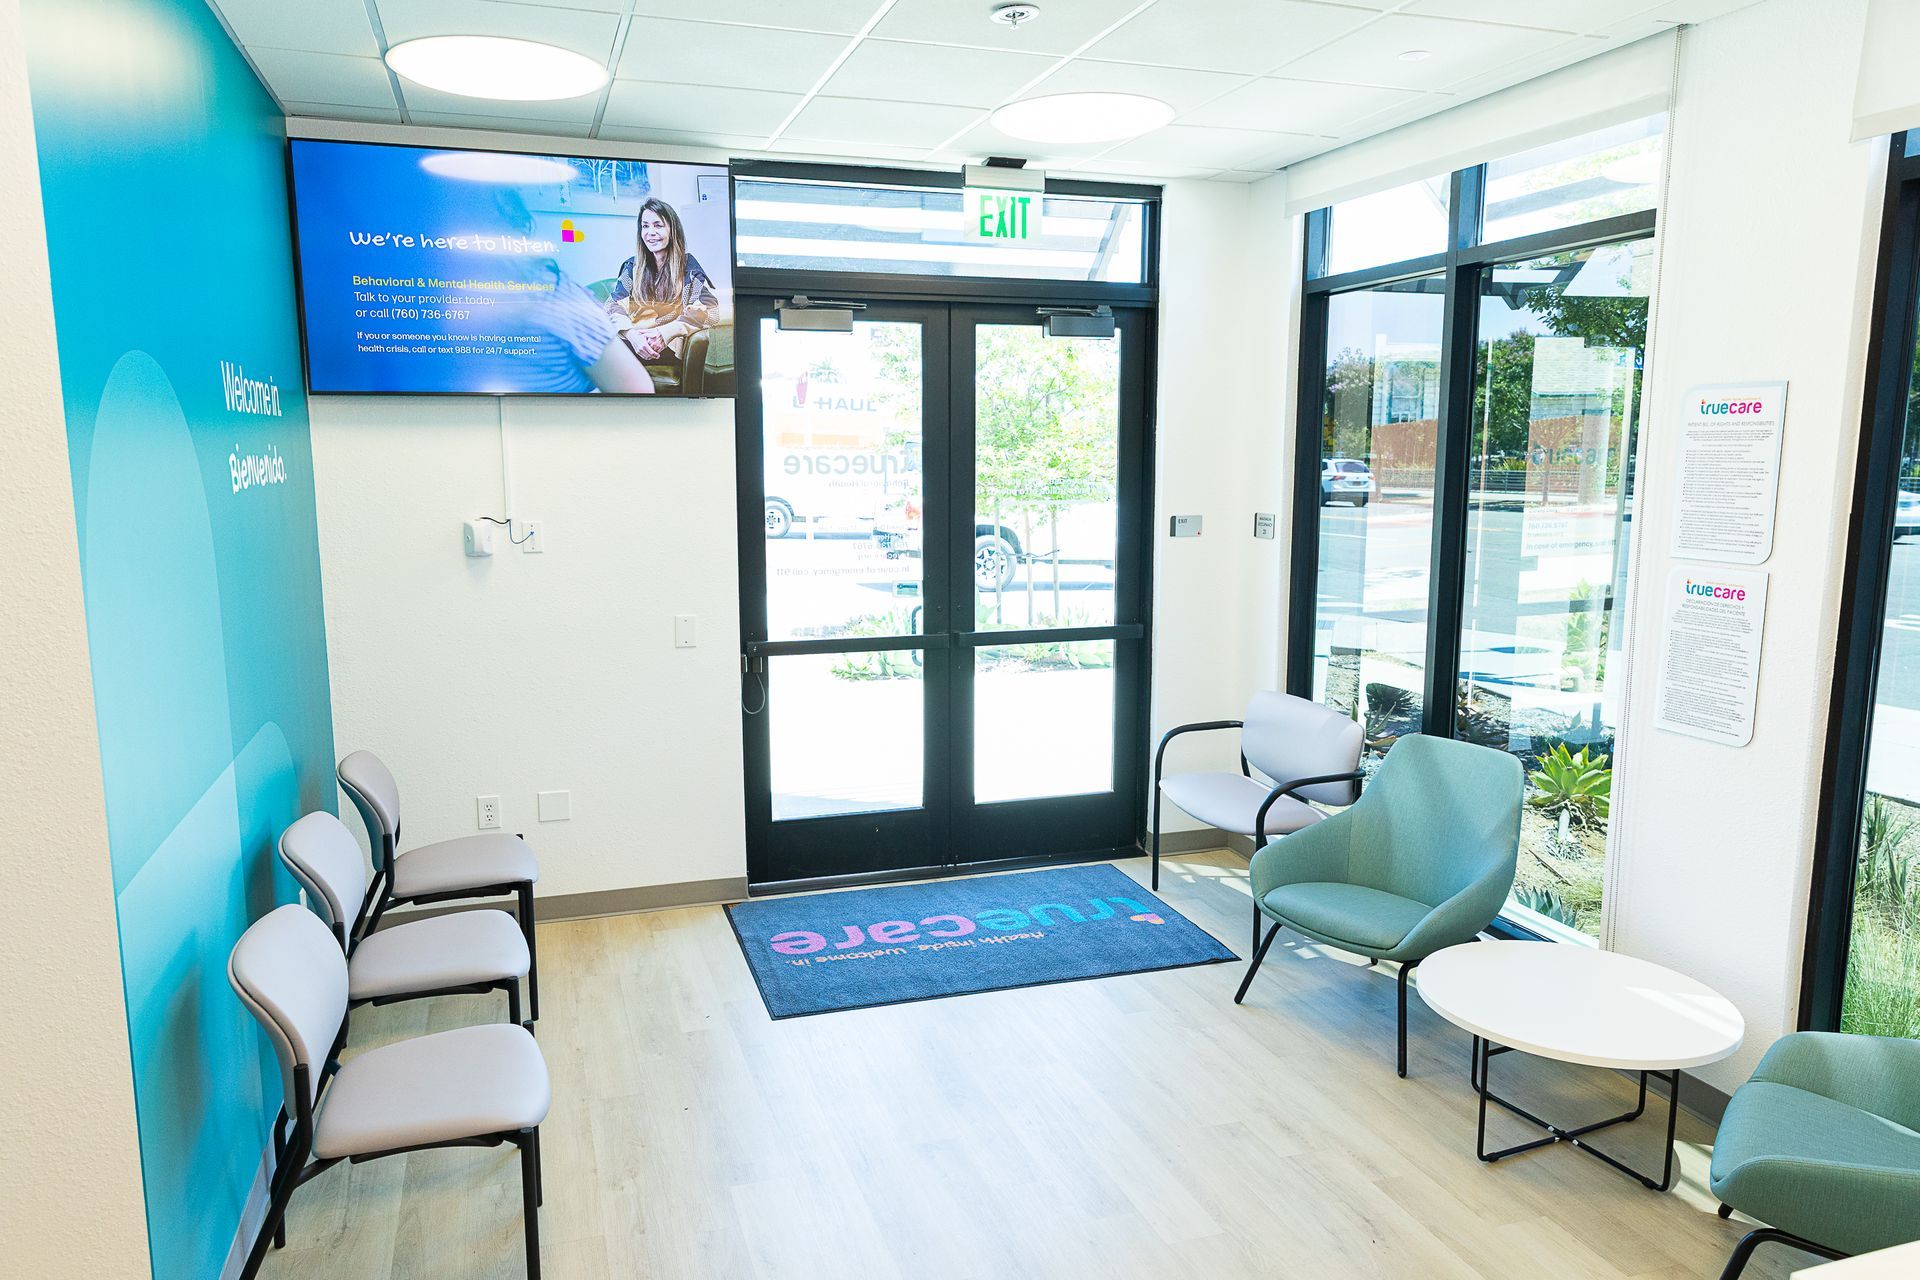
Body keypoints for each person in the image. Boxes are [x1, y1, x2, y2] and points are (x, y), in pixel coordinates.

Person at [607, 197, 720, 366]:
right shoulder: (632, 266)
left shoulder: (688, 267)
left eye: (658, 225)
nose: (650, 232)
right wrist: (631, 334)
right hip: (632, 342)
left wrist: (665, 333)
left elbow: (711, 311)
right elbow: (612, 305)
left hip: (665, 348)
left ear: (672, 230)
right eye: (645, 226)